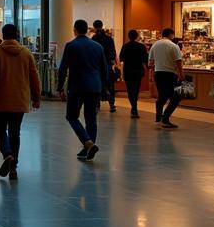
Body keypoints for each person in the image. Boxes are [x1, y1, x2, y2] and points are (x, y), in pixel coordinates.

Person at [0, 23, 41, 180]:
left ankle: (7, 155)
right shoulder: (26, 53)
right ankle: (13, 168)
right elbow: (34, 78)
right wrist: (36, 98)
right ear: (17, 34)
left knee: (0, 131)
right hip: (19, 100)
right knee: (15, 133)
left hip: (0, 101)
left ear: (2, 34)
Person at [57, 19, 109, 161]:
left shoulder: (71, 46)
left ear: (75, 30)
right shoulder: (98, 47)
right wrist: (103, 87)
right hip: (95, 87)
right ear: (87, 30)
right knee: (91, 118)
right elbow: (104, 70)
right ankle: (88, 148)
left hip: (77, 86)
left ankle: (88, 143)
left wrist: (59, 86)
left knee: (72, 116)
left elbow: (63, 69)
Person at [150, 27, 184, 130]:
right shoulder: (174, 46)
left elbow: (150, 62)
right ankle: (165, 118)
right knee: (176, 97)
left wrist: (153, 73)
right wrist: (181, 74)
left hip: (158, 73)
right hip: (170, 74)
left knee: (162, 96)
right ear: (171, 35)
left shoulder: (155, 45)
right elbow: (178, 61)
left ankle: (158, 118)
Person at [119, 30, 149, 118]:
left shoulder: (125, 46)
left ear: (128, 36)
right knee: (136, 88)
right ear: (137, 36)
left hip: (128, 70)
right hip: (138, 70)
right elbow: (145, 60)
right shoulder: (141, 46)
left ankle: (134, 107)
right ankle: (134, 107)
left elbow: (121, 59)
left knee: (129, 89)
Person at [91, 19, 118, 113]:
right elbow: (113, 52)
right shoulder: (109, 38)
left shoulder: (94, 38)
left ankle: (97, 105)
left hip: (97, 65)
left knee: (97, 84)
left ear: (94, 27)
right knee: (110, 85)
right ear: (102, 26)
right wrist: (113, 62)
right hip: (107, 65)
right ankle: (112, 105)